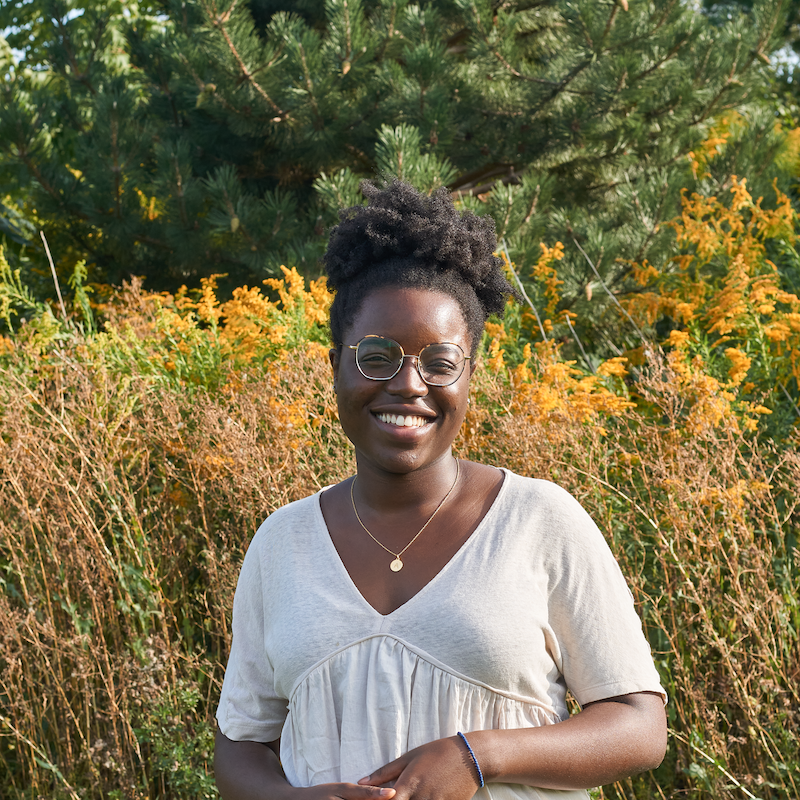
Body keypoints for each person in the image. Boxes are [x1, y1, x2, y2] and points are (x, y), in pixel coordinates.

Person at [214, 180, 667, 800]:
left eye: (440, 362)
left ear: (469, 375)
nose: (408, 384)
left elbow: (640, 728)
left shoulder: (539, 521)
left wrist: (479, 755)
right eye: (377, 356)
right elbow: (242, 744)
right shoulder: (281, 544)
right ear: (335, 366)